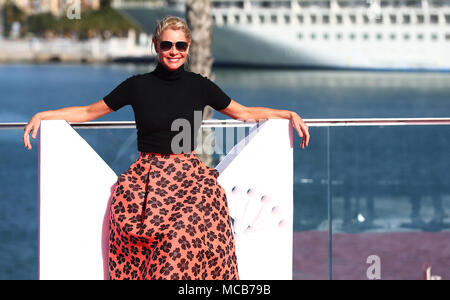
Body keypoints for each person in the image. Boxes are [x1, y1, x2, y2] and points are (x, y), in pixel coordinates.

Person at [23, 16, 310, 280]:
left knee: (183, 233)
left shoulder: (201, 86)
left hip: (190, 178)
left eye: (181, 45)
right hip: (147, 178)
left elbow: (244, 113)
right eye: (167, 45)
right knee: (151, 240)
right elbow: (87, 112)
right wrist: (42, 116)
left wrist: (287, 113)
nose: (174, 51)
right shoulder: (136, 86)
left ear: (188, 47)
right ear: (156, 46)